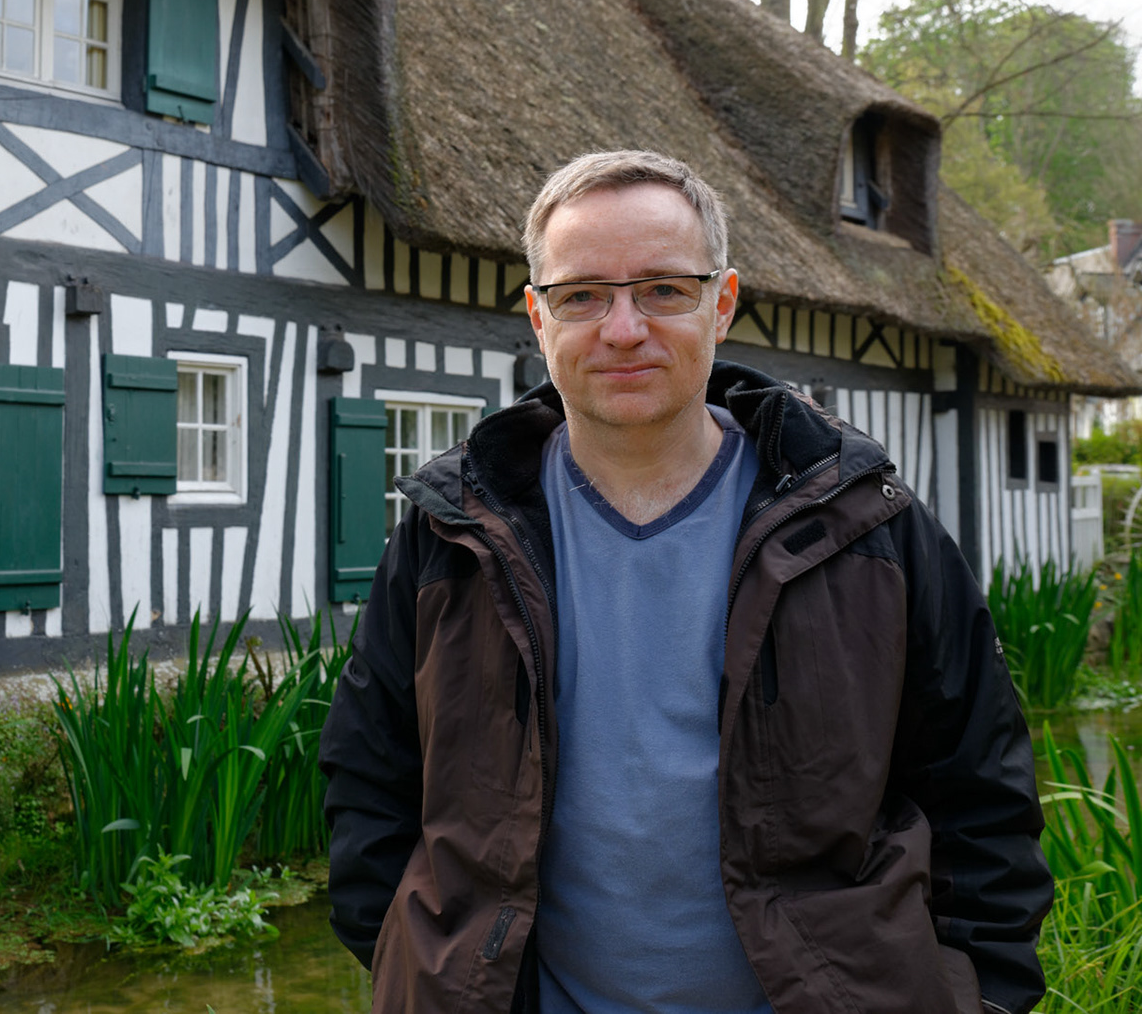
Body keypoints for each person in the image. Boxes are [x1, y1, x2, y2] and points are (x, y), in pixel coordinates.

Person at [319, 151, 1050, 1014]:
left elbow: (979, 793)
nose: (624, 329)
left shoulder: (864, 527)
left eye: (664, 289)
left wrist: (978, 997)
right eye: (582, 296)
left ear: (723, 302)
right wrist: (421, 967)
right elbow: (371, 785)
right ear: (538, 316)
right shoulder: (451, 537)